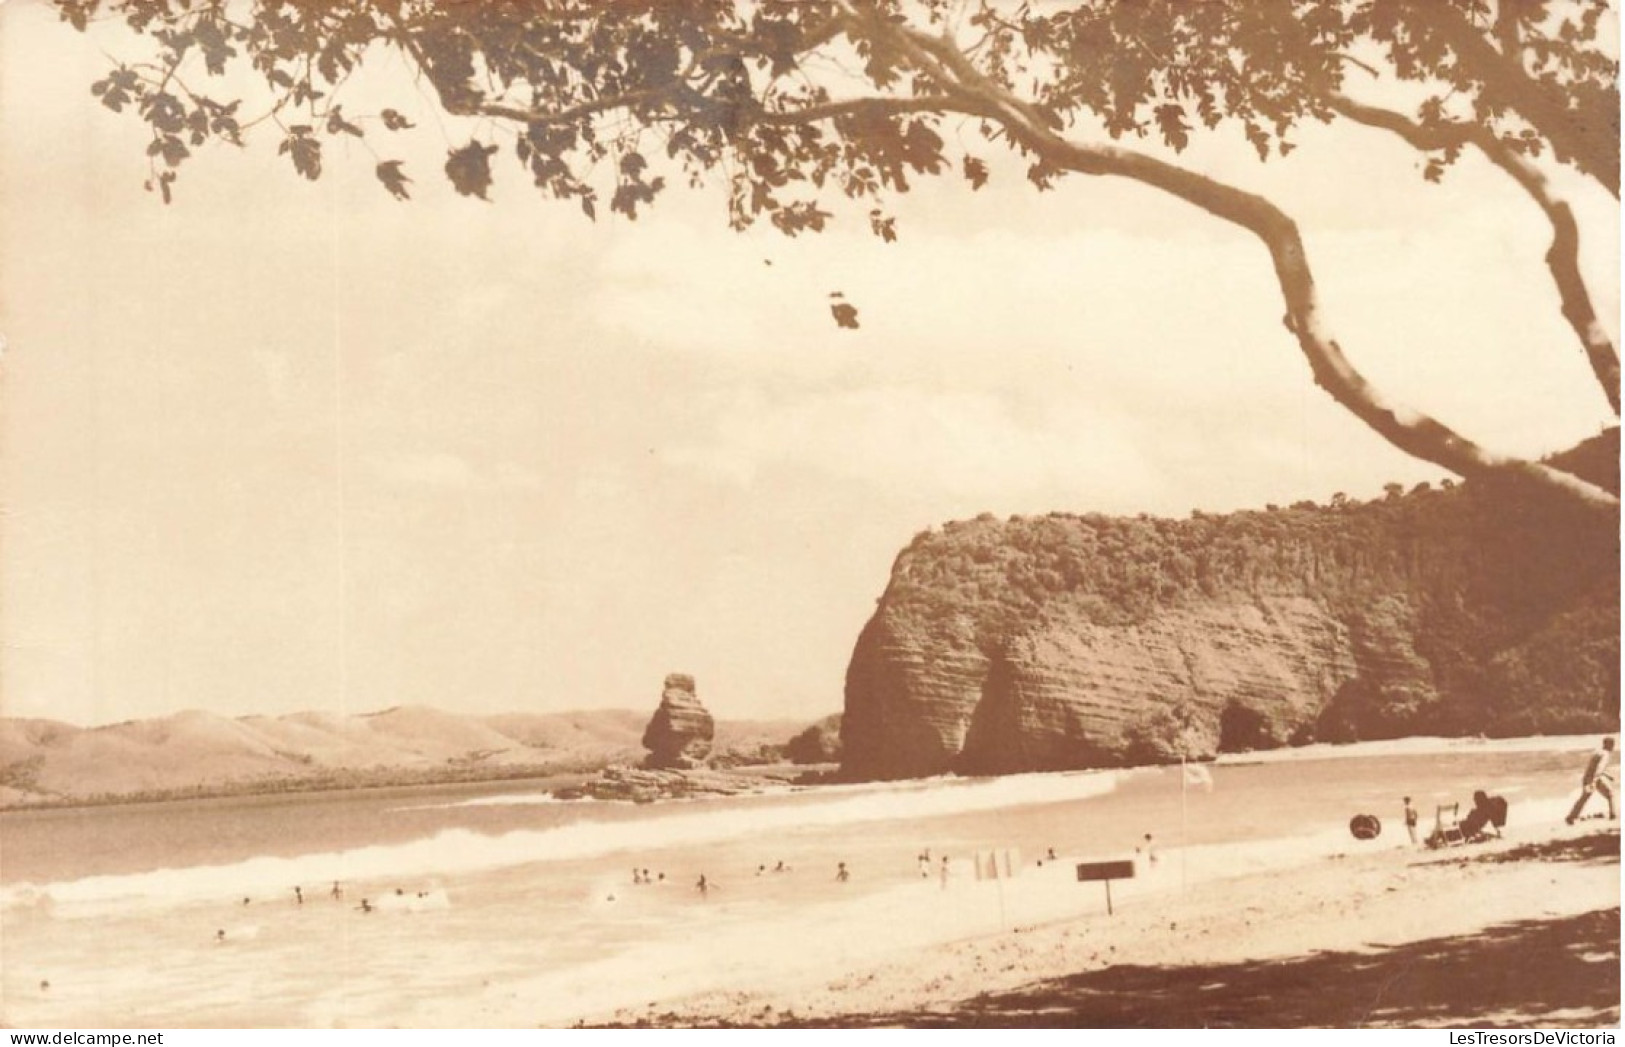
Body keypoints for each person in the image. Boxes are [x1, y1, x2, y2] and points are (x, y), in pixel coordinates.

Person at [1567, 738, 1616, 824]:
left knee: (1584, 798)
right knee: (1610, 795)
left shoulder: (1598, 752)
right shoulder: (1606, 754)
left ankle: (1571, 817)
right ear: (1609, 745)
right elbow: (1599, 768)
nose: (1613, 747)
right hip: (1595, 778)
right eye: (1613, 745)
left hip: (1589, 777)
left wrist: (1608, 776)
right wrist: (1594, 781)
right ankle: (1613, 815)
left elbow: (1594, 767)